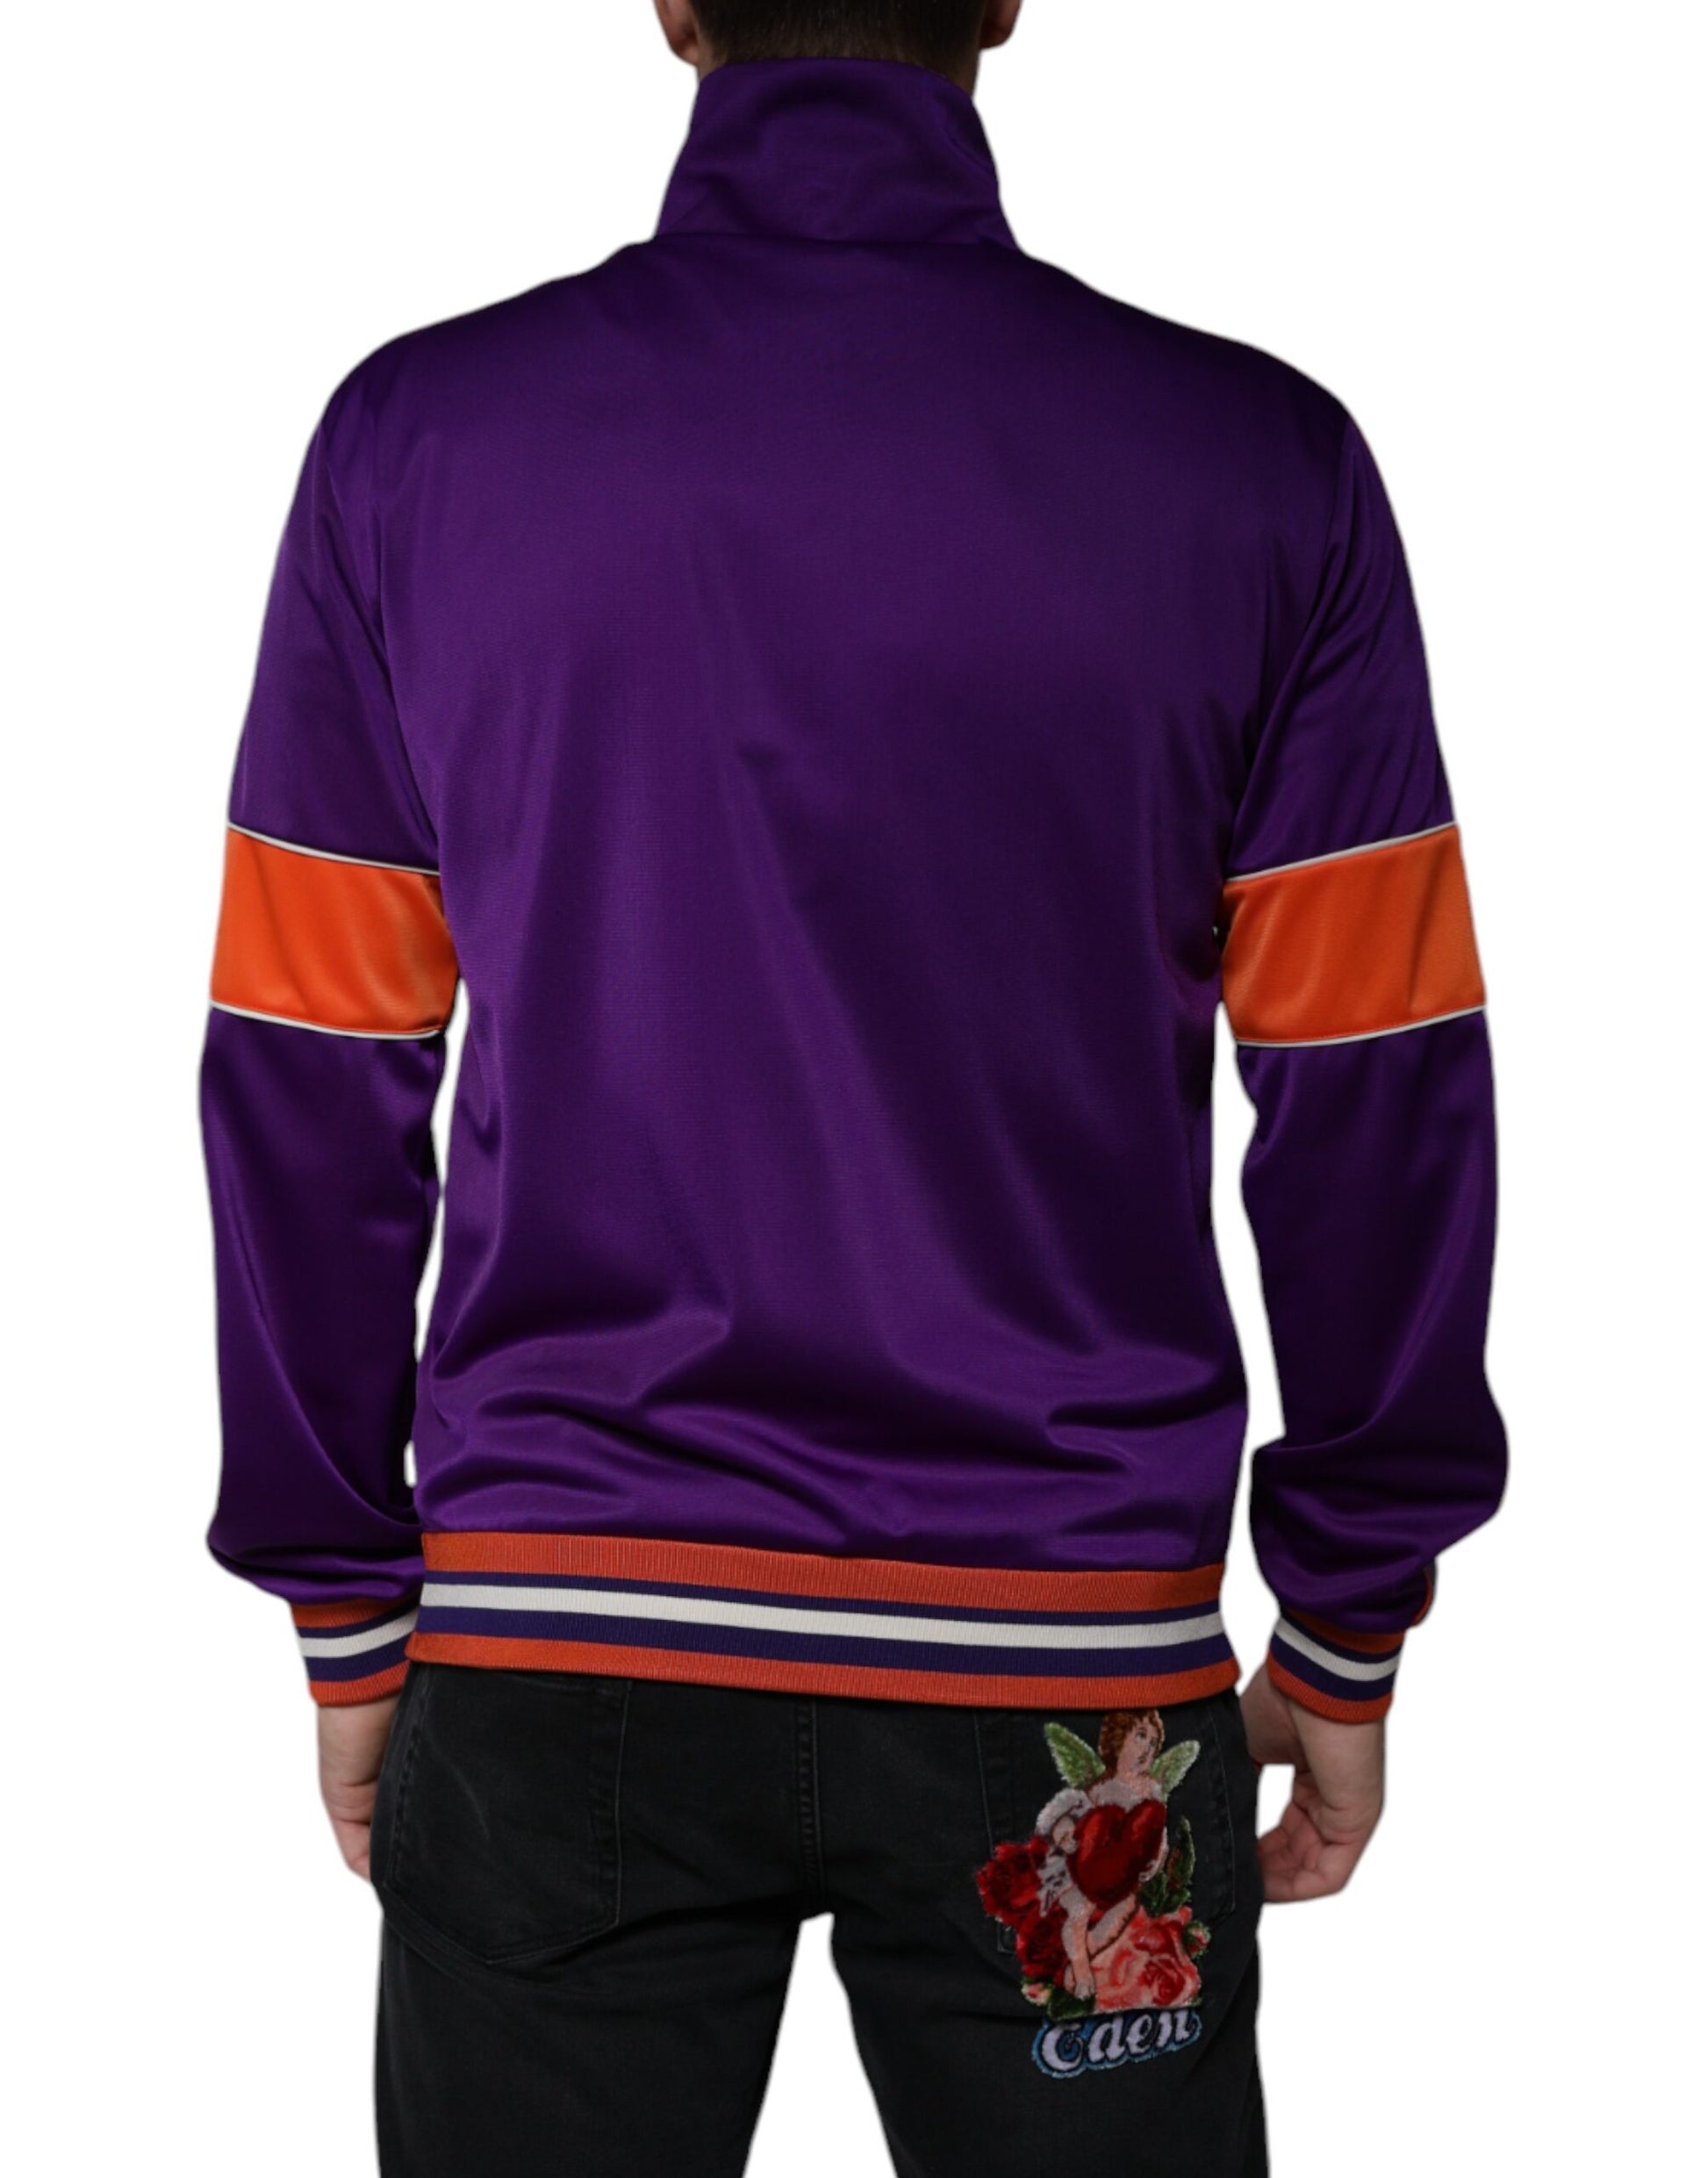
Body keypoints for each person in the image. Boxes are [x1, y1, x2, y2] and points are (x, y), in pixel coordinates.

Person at [199, 2, 1506, 2170]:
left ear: (671, 2)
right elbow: (1373, 1091)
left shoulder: (418, 447)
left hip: (563, 1637)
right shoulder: (1256, 466)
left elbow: (308, 1077)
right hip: (1068, 1667)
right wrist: (1350, 1610)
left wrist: (345, 1599)